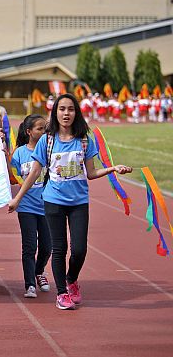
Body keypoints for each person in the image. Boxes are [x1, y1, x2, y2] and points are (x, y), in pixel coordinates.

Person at [8, 93, 131, 310]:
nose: (66, 113)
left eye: (71, 109)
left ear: (77, 113)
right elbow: (35, 172)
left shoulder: (84, 140)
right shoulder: (47, 140)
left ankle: (71, 279)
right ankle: (62, 293)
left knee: (80, 249)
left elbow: (91, 173)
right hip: (53, 201)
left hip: (78, 202)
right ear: (55, 112)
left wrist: (113, 168)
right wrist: (17, 198)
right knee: (59, 249)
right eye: (62, 109)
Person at [10, 114, 52, 299]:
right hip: (27, 206)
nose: (44, 132)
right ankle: (29, 284)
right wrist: (4, 155)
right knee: (29, 246)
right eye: (40, 129)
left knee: (47, 247)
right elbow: (12, 177)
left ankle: (39, 271)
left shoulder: (50, 151)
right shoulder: (19, 153)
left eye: (46, 129)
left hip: (48, 206)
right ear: (29, 132)